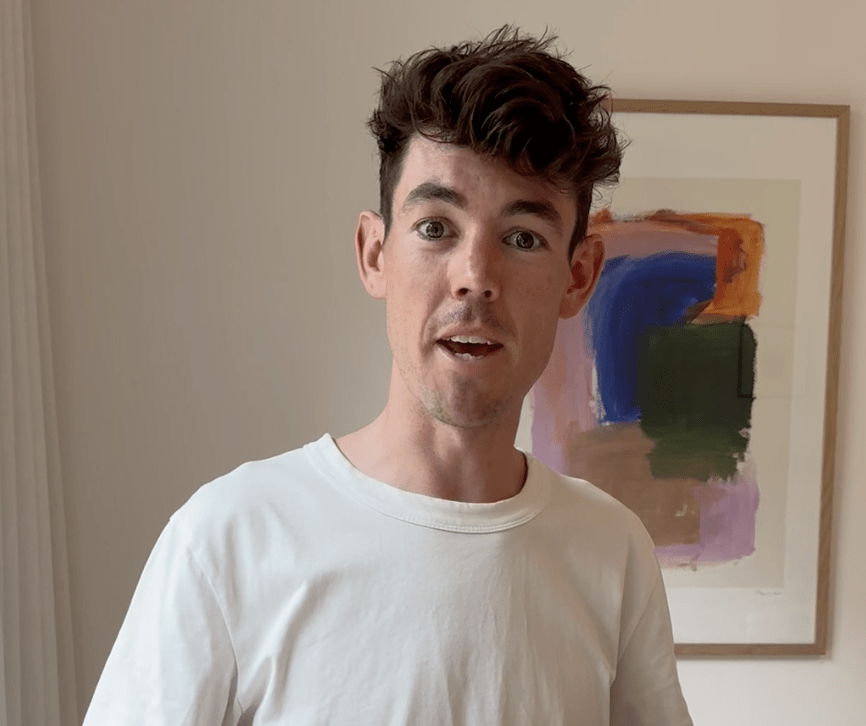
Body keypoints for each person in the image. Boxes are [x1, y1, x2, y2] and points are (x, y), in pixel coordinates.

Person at [83, 25, 693, 726]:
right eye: (436, 228)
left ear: (577, 277)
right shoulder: (228, 539)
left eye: (523, 238)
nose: (475, 277)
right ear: (375, 254)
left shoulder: (614, 552)